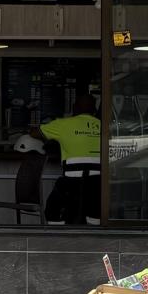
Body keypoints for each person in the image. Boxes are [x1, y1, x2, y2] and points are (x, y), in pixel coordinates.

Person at [37, 92, 102, 225]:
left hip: (71, 184)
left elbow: (35, 132)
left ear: (74, 108)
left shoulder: (63, 124)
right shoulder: (104, 126)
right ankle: (94, 228)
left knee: (52, 210)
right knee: (95, 214)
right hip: (97, 186)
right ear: (94, 110)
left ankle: (59, 236)